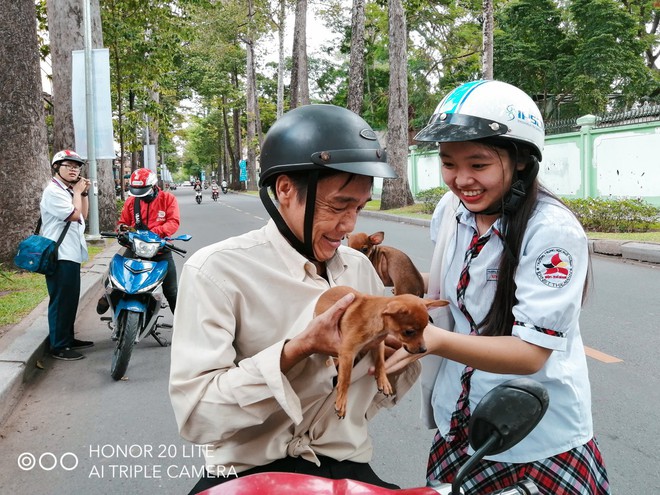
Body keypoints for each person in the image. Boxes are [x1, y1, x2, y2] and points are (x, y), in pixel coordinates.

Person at [169, 104, 421, 494]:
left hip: (346, 469)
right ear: (285, 189)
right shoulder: (216, 272)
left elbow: (380, 395)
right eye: (338, 206)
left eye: (359, 207)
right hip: (246, 475)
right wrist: (298, 350)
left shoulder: (358, 270)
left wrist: (399, 352)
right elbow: (197, 417)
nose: (350, 225)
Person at [385, 80, 610, 494]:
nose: (461, 179)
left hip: (535, 439)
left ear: (522, 160)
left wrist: (428, 339)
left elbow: (529, 354)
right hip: (463, 423)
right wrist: (394, 277)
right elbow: (458, 287)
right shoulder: (451, 210)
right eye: (448, 163)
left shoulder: (551, 232)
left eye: (479, 164)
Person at [96, 168, 180, 313]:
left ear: (153, 186)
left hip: (161, 250)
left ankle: (183, 329)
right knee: (114, 280)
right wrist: (122, 230)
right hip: (136, 249)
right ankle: (109, 300)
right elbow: (122, 222)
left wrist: (154, 233)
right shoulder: (131, 202)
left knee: (171, 291)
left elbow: (173, 222)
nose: (140, 196)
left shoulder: (168, 199)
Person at [41, 150, 93, 361]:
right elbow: (74, 215)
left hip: (71, 253)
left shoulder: (68, 191)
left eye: (77, 166)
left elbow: (84, 216)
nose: (74, 169)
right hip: (60, 255)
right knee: (61, 300)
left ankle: (68, 338)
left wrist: (83, 193)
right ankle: (58, 346)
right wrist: (77, 192)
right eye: (68, 165)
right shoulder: (53, 191)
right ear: (56, 168)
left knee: (70, 300)